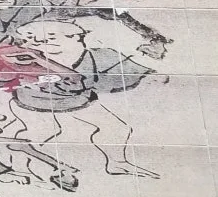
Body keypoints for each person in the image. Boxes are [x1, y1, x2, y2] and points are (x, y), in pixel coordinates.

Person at [10, 20, 159, 178]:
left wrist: (148, 76)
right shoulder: (27, 60)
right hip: (35, 99)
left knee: (116, 128)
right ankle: (19, 168)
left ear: (76, 37)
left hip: (77, 99)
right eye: (30, 39)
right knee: (41, 132)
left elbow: (123, 67)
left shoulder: (98, 55)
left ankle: (118, 163)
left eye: (50, 38)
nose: (37, 43)